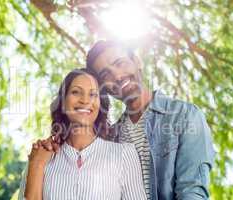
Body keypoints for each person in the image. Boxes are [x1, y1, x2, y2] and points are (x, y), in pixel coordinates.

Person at [85, 40, 216, 200]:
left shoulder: (184, 115)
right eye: (106, 75)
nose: (117, 76)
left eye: (120, 63)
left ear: (137, 61)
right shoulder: (110, 139)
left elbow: (191, 192)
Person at [18, 68, 147, 200]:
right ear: (63, 101)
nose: (85, 100)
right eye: (76, 92)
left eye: (93, 94)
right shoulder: (39, 157)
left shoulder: (124, 154)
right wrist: (36, 165)